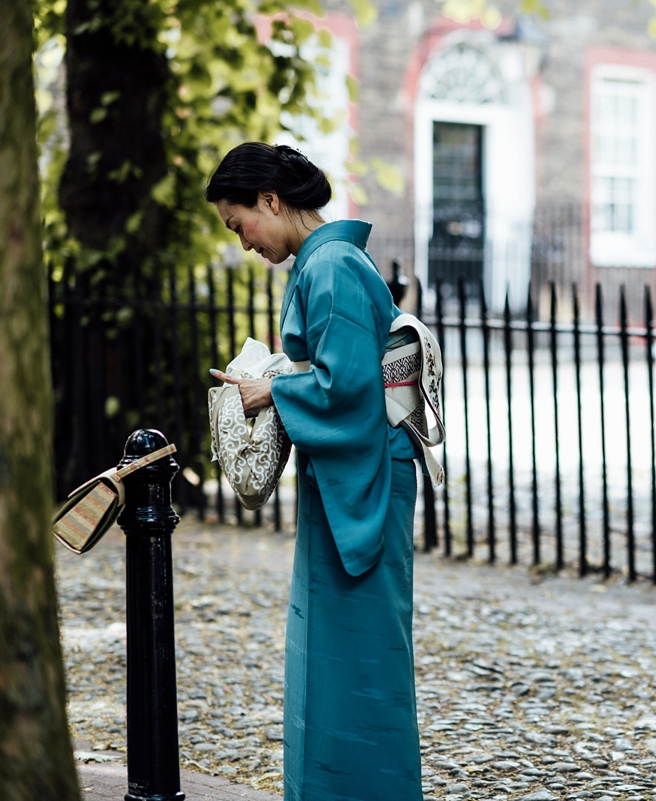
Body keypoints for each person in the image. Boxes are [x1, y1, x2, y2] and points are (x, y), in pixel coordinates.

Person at [206, 142, 422, 800]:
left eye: (238, 223)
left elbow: (349, 387)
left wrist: (269, 389)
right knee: (333, 649)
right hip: (345, 472)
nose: (242, 242)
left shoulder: (331, 265)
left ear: (271, 201)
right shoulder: (326, 262)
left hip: (362, 474)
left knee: (358, 655)